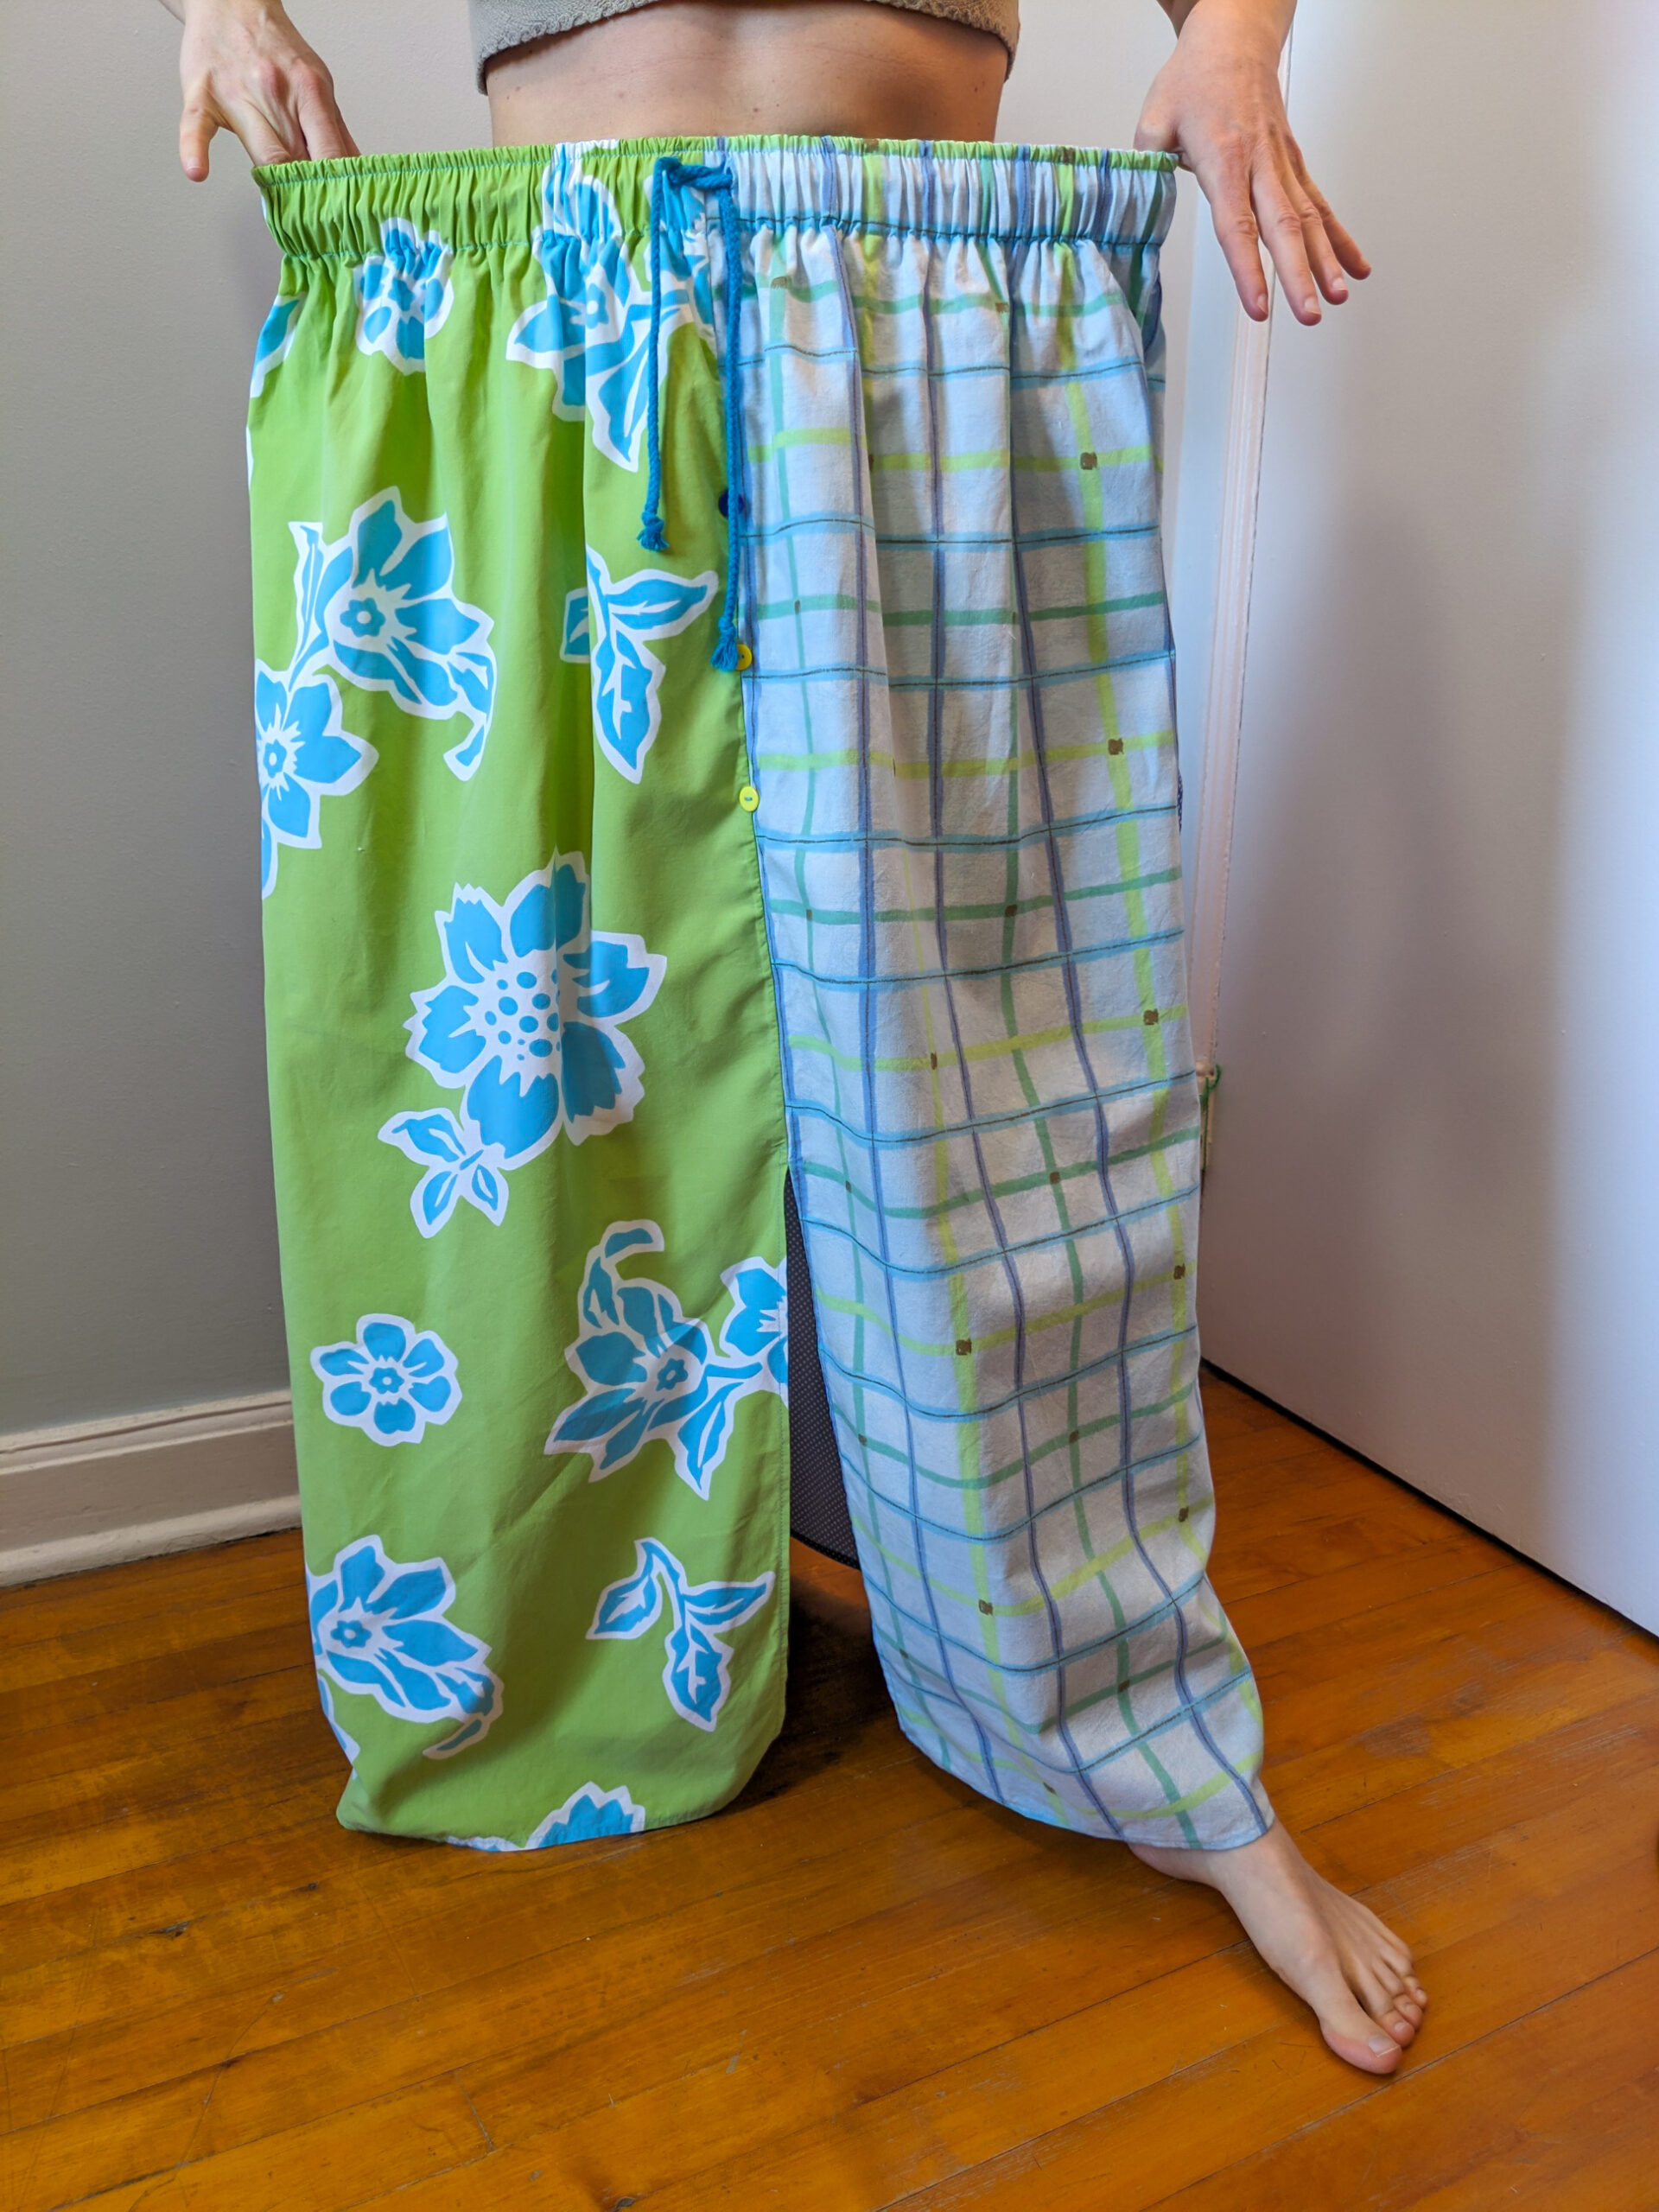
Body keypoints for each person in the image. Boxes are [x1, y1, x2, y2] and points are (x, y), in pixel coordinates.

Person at [156, 0, 1425, 2076]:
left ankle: (1151, 1744)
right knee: (518, 1065)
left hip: (929, 305)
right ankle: (560, 1648)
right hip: (535, 303)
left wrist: (1238, 38)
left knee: (1013, 1104)